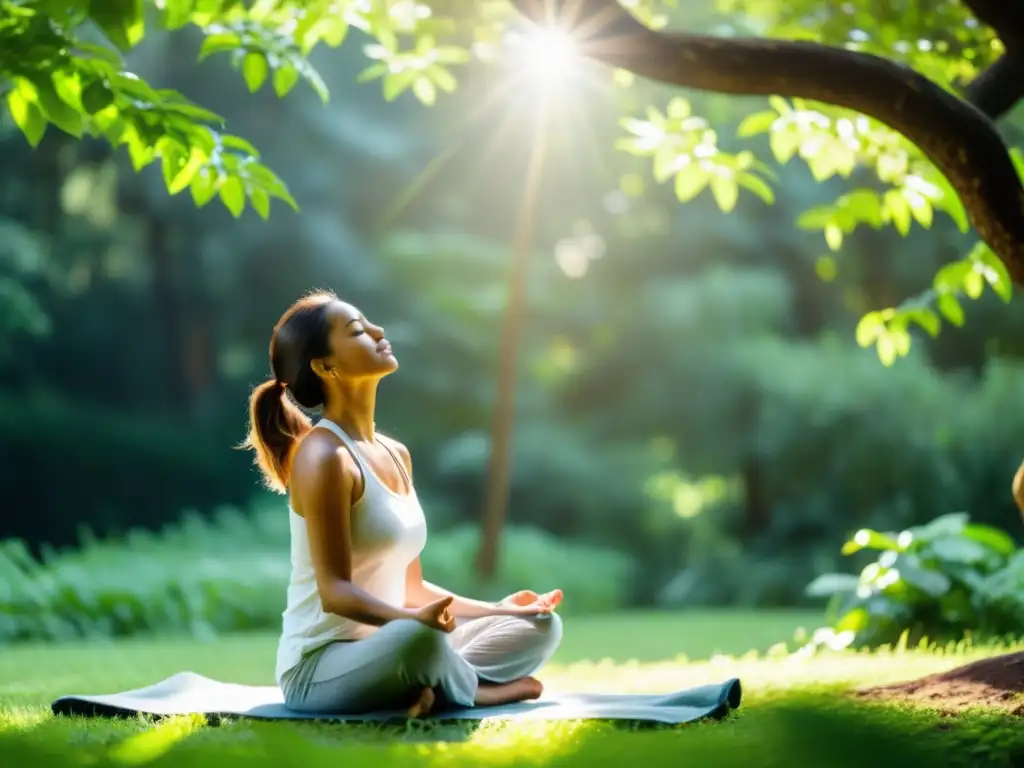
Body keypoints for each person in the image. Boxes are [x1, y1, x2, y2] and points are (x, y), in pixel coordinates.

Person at [242, 290, 564, 718]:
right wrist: (409, 622)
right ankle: (476, 691)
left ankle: (431, 688)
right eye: (357, 331)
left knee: (540, 625)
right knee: (420, 639)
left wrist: (498, 609)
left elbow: (411, 587)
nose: (377, 332)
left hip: (394, 644)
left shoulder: (395, 452)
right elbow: (335, 592)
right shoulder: (323, 458)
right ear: (325, 366)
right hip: (321, 667)